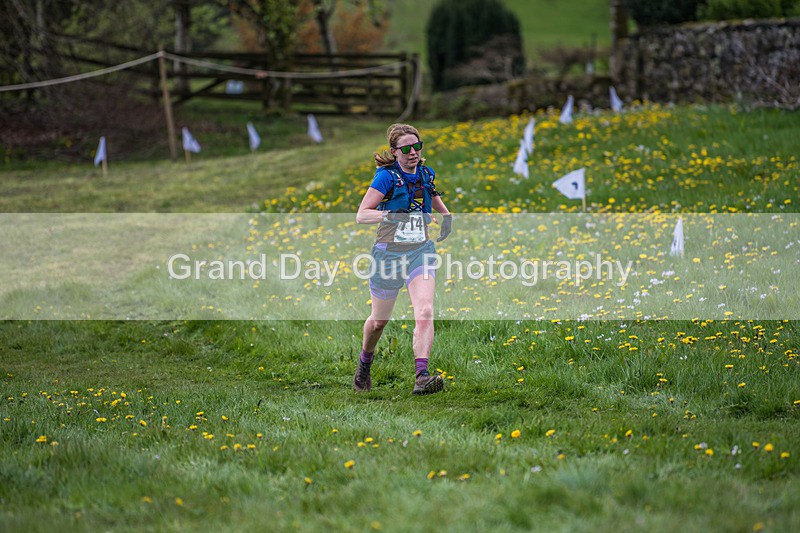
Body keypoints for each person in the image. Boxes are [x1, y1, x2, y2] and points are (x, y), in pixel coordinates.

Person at [354, 123, 453, 395]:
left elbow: (429, 192)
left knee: (424, 311)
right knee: (378, 322)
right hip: (388, 254)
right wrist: (394, 215)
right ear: (394, 151)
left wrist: (446, 215)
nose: (413, 153)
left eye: (417, 147)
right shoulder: (386, 178)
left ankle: (422, 376)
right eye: (406, 148)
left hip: (420, 251)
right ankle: (365, 363)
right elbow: (362, 214)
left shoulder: (424, 173)